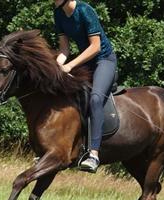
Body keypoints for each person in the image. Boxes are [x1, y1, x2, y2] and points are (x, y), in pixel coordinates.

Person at [54, 0, 118, 173]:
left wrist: (69, 66)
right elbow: (64, 50)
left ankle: (94, 154)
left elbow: (96, 47)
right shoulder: (58, 13)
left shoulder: (85, 10)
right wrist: (57, 65)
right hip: (85, 63)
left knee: (95, 99)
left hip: (104, 60)